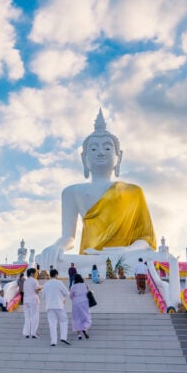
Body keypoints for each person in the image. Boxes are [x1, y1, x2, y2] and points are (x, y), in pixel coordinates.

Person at [37, 110, 156, 268]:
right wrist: (56, 247)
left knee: (147, 257)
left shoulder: (133, 191)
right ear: (83, 158)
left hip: (125, 257)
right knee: (46, 259)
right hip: (89, 258)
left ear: (118, 156)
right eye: (93, 149)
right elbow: (68, 237)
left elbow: (146, 238)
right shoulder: (72, 192)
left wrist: (128, 250)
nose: (100, 152)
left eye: (107, 148)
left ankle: (116, 259)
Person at [42, 269, 71, 347]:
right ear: (56, 275)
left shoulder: (46, 284)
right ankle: (63, 337)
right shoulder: (59, 283)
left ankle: (53, 341)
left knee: (52, 324)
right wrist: (62, 297)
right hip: (59, 305)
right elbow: (67, 293)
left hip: (49, 306)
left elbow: (43, 296)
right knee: (64, 321)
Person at [70, 274, 92, 340]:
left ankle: (79, 335)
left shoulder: (73, 286)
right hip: (85, 302)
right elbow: (88, 292)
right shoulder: (85, 285)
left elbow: (71, 296)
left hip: (76, 303)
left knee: (76, 318)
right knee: (86, 316)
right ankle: (85, 328)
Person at [22, 268, 41, 338]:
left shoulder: (25, 281)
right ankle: (33, 333)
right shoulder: (34, 281)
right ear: (31, 273)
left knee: (27, 317)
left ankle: (26, 333)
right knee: (34, 317)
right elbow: (36, 291)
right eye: (35, 273)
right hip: (33, 300)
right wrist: (39, 289)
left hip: (26, 300)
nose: (36, 274)